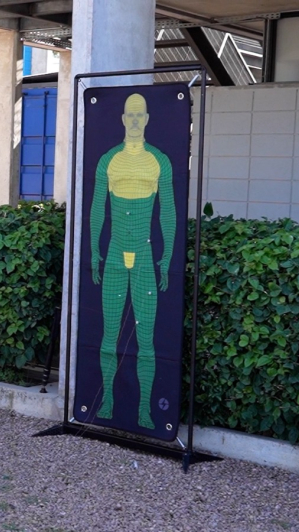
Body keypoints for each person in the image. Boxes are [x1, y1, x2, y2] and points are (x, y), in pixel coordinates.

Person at [89, 93, 176, 430]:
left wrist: (167, 256)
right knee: (109, 334)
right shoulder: (108, 160)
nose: (136, 120)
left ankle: (144, 410)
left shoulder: (159, 161)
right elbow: (97, 208)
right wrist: (94, 251)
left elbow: (168, 212)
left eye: (141, 115)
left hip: (144, 255)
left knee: (147, 339)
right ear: (124, 119)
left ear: (147, 119)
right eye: (131, 115)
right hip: (114, 253)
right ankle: (108, 400)